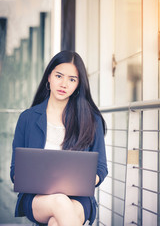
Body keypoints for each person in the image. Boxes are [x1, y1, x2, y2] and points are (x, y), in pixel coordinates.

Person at [10, 51, 108, 226]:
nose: (64, 84)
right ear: (49, 76)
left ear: (78, 84)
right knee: (60, 201)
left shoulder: (91, 119)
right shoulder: (28, 118)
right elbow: (15, 170)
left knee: (57, 221)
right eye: (59, 76)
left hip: (78, 199)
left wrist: (85, 180)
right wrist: (22, 177)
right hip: (37, 198)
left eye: (72, 79)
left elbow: (101, 168)